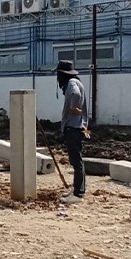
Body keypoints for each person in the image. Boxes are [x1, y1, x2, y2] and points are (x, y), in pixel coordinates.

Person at [56, 60, 88, 203]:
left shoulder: (71, 83)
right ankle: (77, 190)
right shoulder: (77, 82)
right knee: (77, 161)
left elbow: (75, 95)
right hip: (77, 127)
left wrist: (74, 108)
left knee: (76, 161)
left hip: (74, 127)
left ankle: (78, 194)